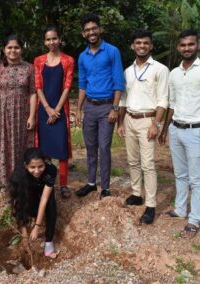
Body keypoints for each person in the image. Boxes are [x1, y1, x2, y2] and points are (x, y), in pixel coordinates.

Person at [158, 29, 200, 237]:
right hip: (176, 129)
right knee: (180, 174)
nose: (187, 48)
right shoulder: (175, 73)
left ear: (198, 45)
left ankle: (194, 220)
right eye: (183, 45)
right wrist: (165, 129)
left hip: (197, 131)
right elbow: (172, 105)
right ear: (178, 47)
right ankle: (180, 209)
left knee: (196, 179)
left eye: (191, 44)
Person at [117, 29, 169, 224]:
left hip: (149, 120)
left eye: (146, 43)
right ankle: (137, 194)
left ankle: (151, 205)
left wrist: (156, 123)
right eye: (138, 43)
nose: (142, 46)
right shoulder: (127, 71)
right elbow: (123, 98)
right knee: (132, 161)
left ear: (151, 46)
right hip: (130, 118)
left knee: (148, 164)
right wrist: (120, 122)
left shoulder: (160, 69)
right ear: (133, 46)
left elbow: (163, 99)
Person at [75, 13, 125, 199]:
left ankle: (105, 187)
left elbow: (119, 82)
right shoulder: (82, 56)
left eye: (94, 28)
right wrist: (79, 109)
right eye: (87, 30)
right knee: (90, 146)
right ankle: (90, 182)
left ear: (100, 30)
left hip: (106, 108)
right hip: (89, 106)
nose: (91, 32)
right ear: (83, 34)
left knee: (104, 147)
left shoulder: (112, 51)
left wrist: (115, 108)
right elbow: (82, 84)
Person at [0, 34, 37, 191]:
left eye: (16, 47)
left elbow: (33, 92)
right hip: (1, 115)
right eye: (9, 47)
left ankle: (20, 177)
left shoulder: (29, 68)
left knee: (21, 144)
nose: (13, 50)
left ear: (21, 49)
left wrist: (31, 116)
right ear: (4, 49)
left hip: (22, 114)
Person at [34, 26, 74, 199]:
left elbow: (67, 86)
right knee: (45, 148)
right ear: (45, 41)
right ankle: (47, 180)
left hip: (60, 110)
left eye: (54, 38)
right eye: (48, 39)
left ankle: (63, 184)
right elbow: (38, 86)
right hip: (43, 110)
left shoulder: (68, 60)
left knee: (62, 148)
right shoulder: (38, 60)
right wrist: (48, 109)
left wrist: (56, 110)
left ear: (59, 39)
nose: (51, 42)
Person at [9, 147, 57, 256]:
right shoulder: (18, 175)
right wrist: (24, 237)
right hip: (28, 188)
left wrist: (37, 226)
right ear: (26, 166)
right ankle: (32, 217)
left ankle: (49, 241)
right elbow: (19, 205)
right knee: (26, 203)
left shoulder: (51, 170)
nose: (37, 171)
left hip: (43, 187)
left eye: (40, 166)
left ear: (45, 163)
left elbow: (44, 199)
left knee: (51, 204)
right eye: (32, 167)